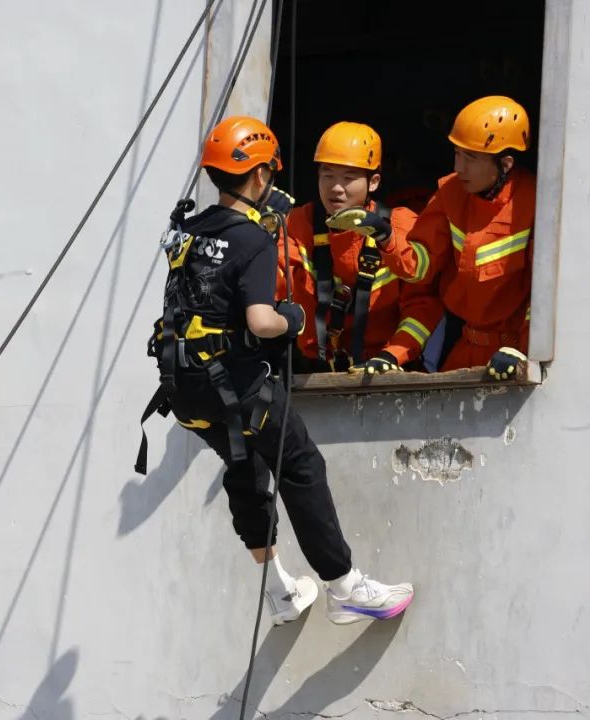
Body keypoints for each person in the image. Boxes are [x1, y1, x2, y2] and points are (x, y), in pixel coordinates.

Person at [142, 117, 413, 626]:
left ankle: (278, 592)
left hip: (185, 391)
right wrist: (293, 318)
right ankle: (344, 587)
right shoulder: (253, 240)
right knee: (301, 466)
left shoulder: (187, 231)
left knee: (245, 468)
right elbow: (261, 321)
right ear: (262, 174)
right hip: (237, 386)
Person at [329, 96, 534, 379]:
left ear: (506, 164)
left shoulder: (535, 202)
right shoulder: (451, 192)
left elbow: (545, 294)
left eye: (470, 158)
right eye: (457, 153)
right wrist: (384, 234)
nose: (459, 167)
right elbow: (420, 267)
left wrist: (526, 350)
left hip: (514, 355)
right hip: (465, 348)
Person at [285, 122, 443, 373]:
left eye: (348, 178)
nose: (336, 187)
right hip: (315, 374)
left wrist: (392, 355)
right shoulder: (296, 224)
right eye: (327, 175)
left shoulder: (400, 225)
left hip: (387, 369)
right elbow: (273, 286)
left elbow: (423, 305)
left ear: (373, 182)